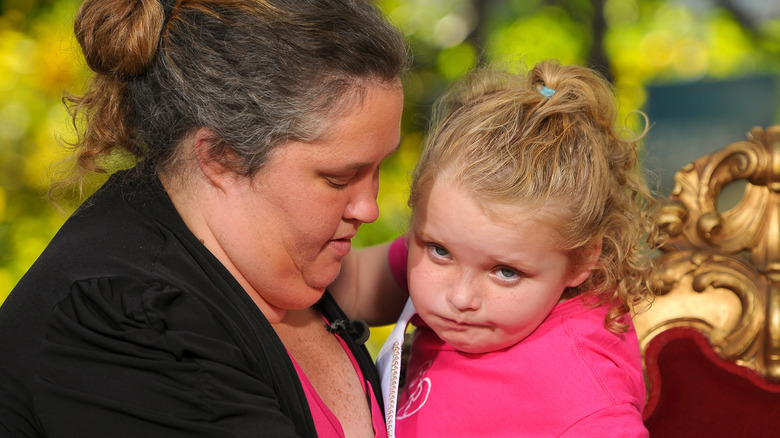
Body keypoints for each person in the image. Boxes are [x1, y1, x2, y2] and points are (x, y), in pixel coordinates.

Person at [0, 0, 410, 437]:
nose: (369, 207)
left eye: (378, 168)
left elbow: (406, 274)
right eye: (338, 178)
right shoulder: (125, 324)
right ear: (221, 157)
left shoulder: (266, 257)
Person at [347, 59, 659, 437]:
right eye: (439, 251)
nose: (460, 297)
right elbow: (334, 285)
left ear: (583, 259)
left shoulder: (584, 400)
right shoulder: (462, 246)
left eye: (506, 272)